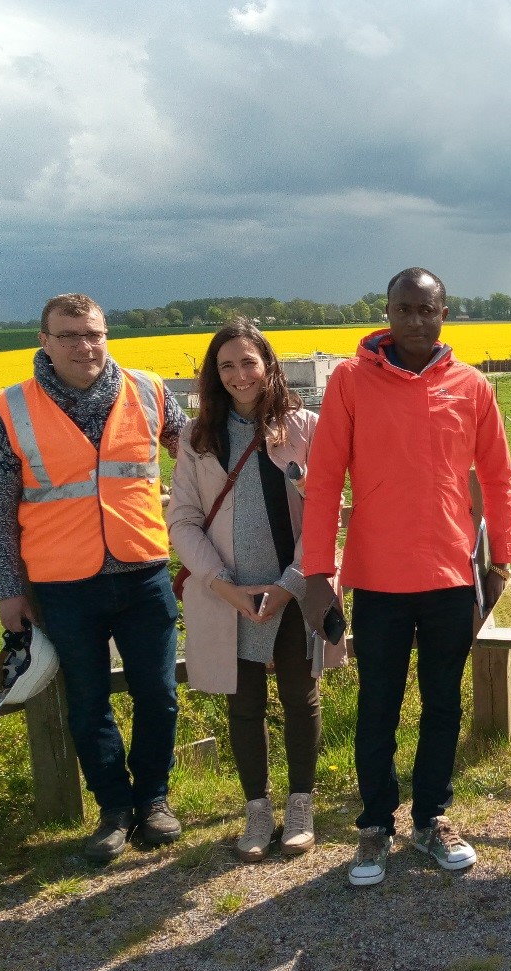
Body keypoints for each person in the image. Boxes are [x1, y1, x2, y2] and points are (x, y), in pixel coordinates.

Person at [300, 267, 511, 884]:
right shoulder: (348, 380)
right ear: (387, 312)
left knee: (443, 703)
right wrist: (320, 574)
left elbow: (498, 481)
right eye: (405, 308)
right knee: (378, 704)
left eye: (428, 310)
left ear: (444, 313)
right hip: (377, 578)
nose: (416, 321)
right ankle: (374, 826)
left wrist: (499, 560)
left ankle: (431, 819)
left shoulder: (472, 387)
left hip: (450, 574)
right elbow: (322, 485)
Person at [0, 293, 188, 863]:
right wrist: (8, 590)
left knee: (159, 695)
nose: (83, 346)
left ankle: (154, 800)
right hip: (63, 586)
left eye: (92, 333)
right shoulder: (10, 409)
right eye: (69, 335)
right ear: (43, 341)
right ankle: (113, 809)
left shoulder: (150, 391)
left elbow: (202, 456)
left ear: (106, 334)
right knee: (88, 703)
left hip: (145, 574)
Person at [167, 318, 347, 863]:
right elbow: (183, 521)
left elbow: (325, 511)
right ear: (213, 375)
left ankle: (300, 806)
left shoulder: (306, 427)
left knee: (300, 697)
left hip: (297, 588)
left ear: (268, 364)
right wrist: (223, 586)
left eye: (249, 362)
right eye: (227, 365)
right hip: (229, 598)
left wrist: (292, 584)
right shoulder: (197, 439)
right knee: (243, 706)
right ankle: (256, 811)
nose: (240, 374)